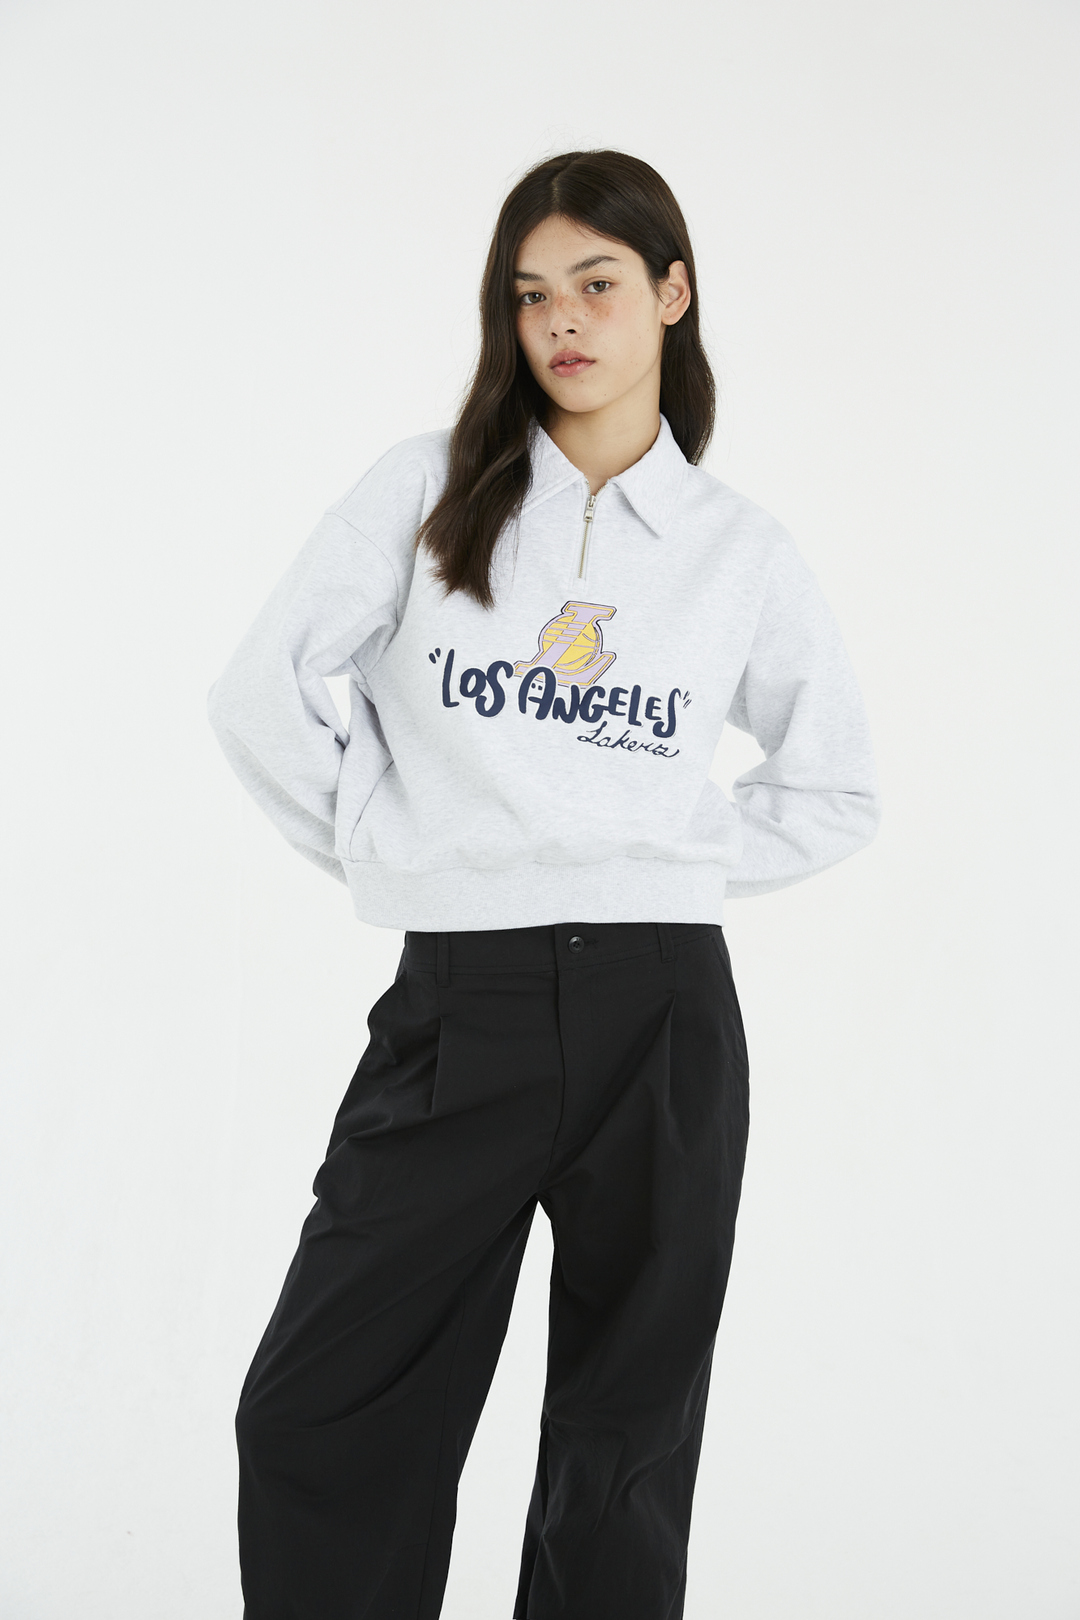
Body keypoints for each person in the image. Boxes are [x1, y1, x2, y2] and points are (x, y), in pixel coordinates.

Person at [206, 147, 881, 1620]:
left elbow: (836, 788)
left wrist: (653, 855)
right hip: (464, 1004)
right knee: (320, 1413)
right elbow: (260, 696)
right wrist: (396, 854)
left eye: (597, 283)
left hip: (663, 1016)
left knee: (621, 1452)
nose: (562, 321)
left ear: (673, 295)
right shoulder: (428, 489)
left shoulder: (737, 550)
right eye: (530, 294)